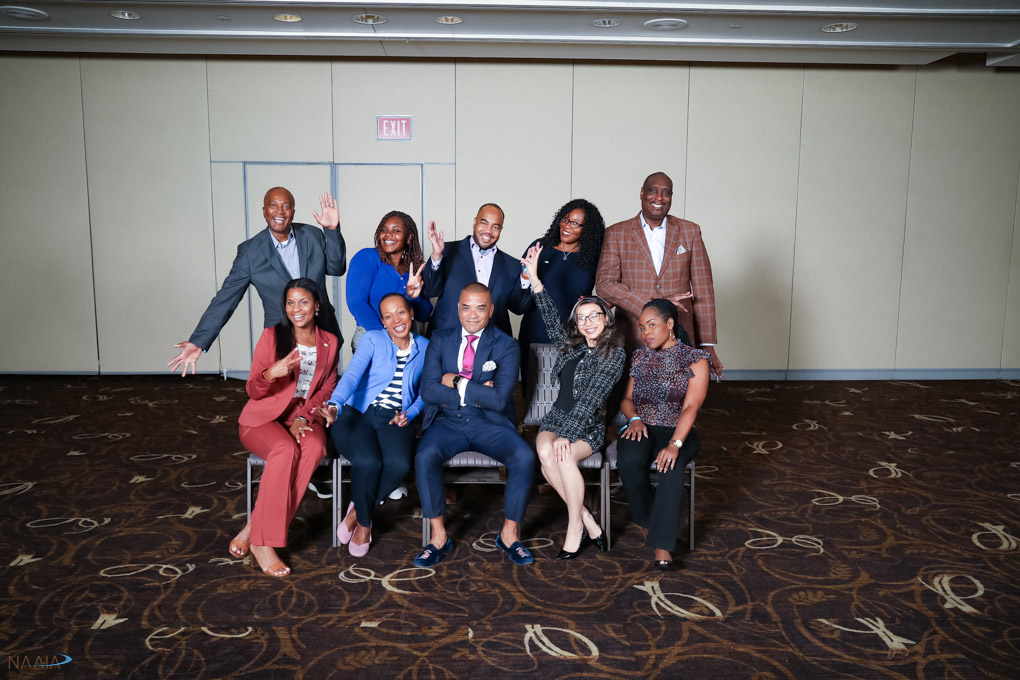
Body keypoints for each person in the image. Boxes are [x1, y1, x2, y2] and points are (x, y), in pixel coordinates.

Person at [411, 283, 536, 568]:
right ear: (458, 308)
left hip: (489, 423)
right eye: (466, 307)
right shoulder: (440, 339)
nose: (472, 314)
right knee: (425, 455)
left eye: (480, 308)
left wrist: (456, 380)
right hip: (448, 421)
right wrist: (478, 392)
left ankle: (509, 535)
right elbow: (429, 391)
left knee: (524, 457)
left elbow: (499, 399)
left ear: (491, 310)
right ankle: (438, 537)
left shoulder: (506, 345)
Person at [168, 187, 347, 376]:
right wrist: (199, 341)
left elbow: (336, 269)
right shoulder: (250, 252)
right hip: (282, 337)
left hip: (323, 330)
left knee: (326, 389)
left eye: (286, 206)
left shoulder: (312, 234)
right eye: (273, 205)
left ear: (293, 212)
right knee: (286, 391)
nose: (280, 211)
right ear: (264, 211)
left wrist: (331, 230)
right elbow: (226, 298)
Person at [228, 278, 339, 577]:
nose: (296, 309)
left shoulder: (330, 341)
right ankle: (263, 544)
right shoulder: (272, 336)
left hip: (302, 416)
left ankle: (253, 528)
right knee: (284, 448)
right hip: (263, 419)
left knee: (315, 447)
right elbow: (253, 390)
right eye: (290, 303)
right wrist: (270, 374)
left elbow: (328, 386)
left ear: (317, 306)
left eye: (303, 302)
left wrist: (303, 417)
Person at [521, 244, 624, 559]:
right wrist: (535, 280)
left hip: (588, 425)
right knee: (544, 452)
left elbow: (592, 398)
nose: (588, 322)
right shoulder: (572, 345)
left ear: (606, 319)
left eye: (594, 316)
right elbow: (551, 318)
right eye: (582, 318)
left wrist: (567, 436)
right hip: (556, 418)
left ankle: (574, 527)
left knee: (563, 456)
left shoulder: (614, 352)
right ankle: (589, 520)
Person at [314, 294, 428, 557]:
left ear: (411, 313)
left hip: (393, 418)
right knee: (369, 462)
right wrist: (335, 404)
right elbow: (352, 376)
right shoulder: (373, 340)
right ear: (383, 322)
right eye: (388, 316)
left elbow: (425, 392)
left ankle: (355, 512)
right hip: (357, 414)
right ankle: (365, 525)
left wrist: (410, 413)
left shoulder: (425, 347)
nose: (396, 320)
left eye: (401, 312)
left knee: (400, 464)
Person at [595, 172, 723, 378]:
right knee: (631, 394)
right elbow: (605, 284)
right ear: (642, 193)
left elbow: (704, 292)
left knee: (679, 393)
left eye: (666, 193)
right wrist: (652, 304)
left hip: (679, 335)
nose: (659, 198)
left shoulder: (690, 231)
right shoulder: (616, 233)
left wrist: (707, 344)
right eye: (653, 191)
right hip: (633, 334)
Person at [616, 299, 709, 571]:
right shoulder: (640, 357)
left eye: (652, 325)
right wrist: (634, 419)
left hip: (678, 431)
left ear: (670, 324)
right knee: (629, 461)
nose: (646, 332)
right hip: (642, 427)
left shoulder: (695, 359)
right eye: (642, 327)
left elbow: (691, 407)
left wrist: (674, 445)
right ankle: (649, 521)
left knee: (670, 466)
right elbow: (626, 399)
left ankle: (662, 545)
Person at [518, 199, 606, 391]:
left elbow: (606, 289)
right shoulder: (540, 247)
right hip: (536, 330)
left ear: (587, 229)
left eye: (575, 223)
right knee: (534, 391)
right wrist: (526, 274)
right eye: (565, 219)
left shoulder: (594, 255)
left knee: (568, 391)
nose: (567, 226)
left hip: (574, 334)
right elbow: (518, 293)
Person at [407, 203, 530, 338]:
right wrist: (436, 256)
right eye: (484, 223)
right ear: (474, 222)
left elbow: (518, 308)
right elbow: (430, 291)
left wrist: (526, 276)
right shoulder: (446, 251)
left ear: (501, 229)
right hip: (446, 340)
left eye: (495, 227)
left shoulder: (512, 265)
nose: (488, 231)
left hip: (493, 343)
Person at [345, 210, 432, 351]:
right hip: (373, 337)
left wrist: (414, 297)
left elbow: (424, 315)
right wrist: (385, 338)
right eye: (384, 230)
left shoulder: (413, 270)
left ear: (409, 237)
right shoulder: (367, 257)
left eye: (396, 230)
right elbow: (356, 302)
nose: (388, 234)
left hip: (408, 340)